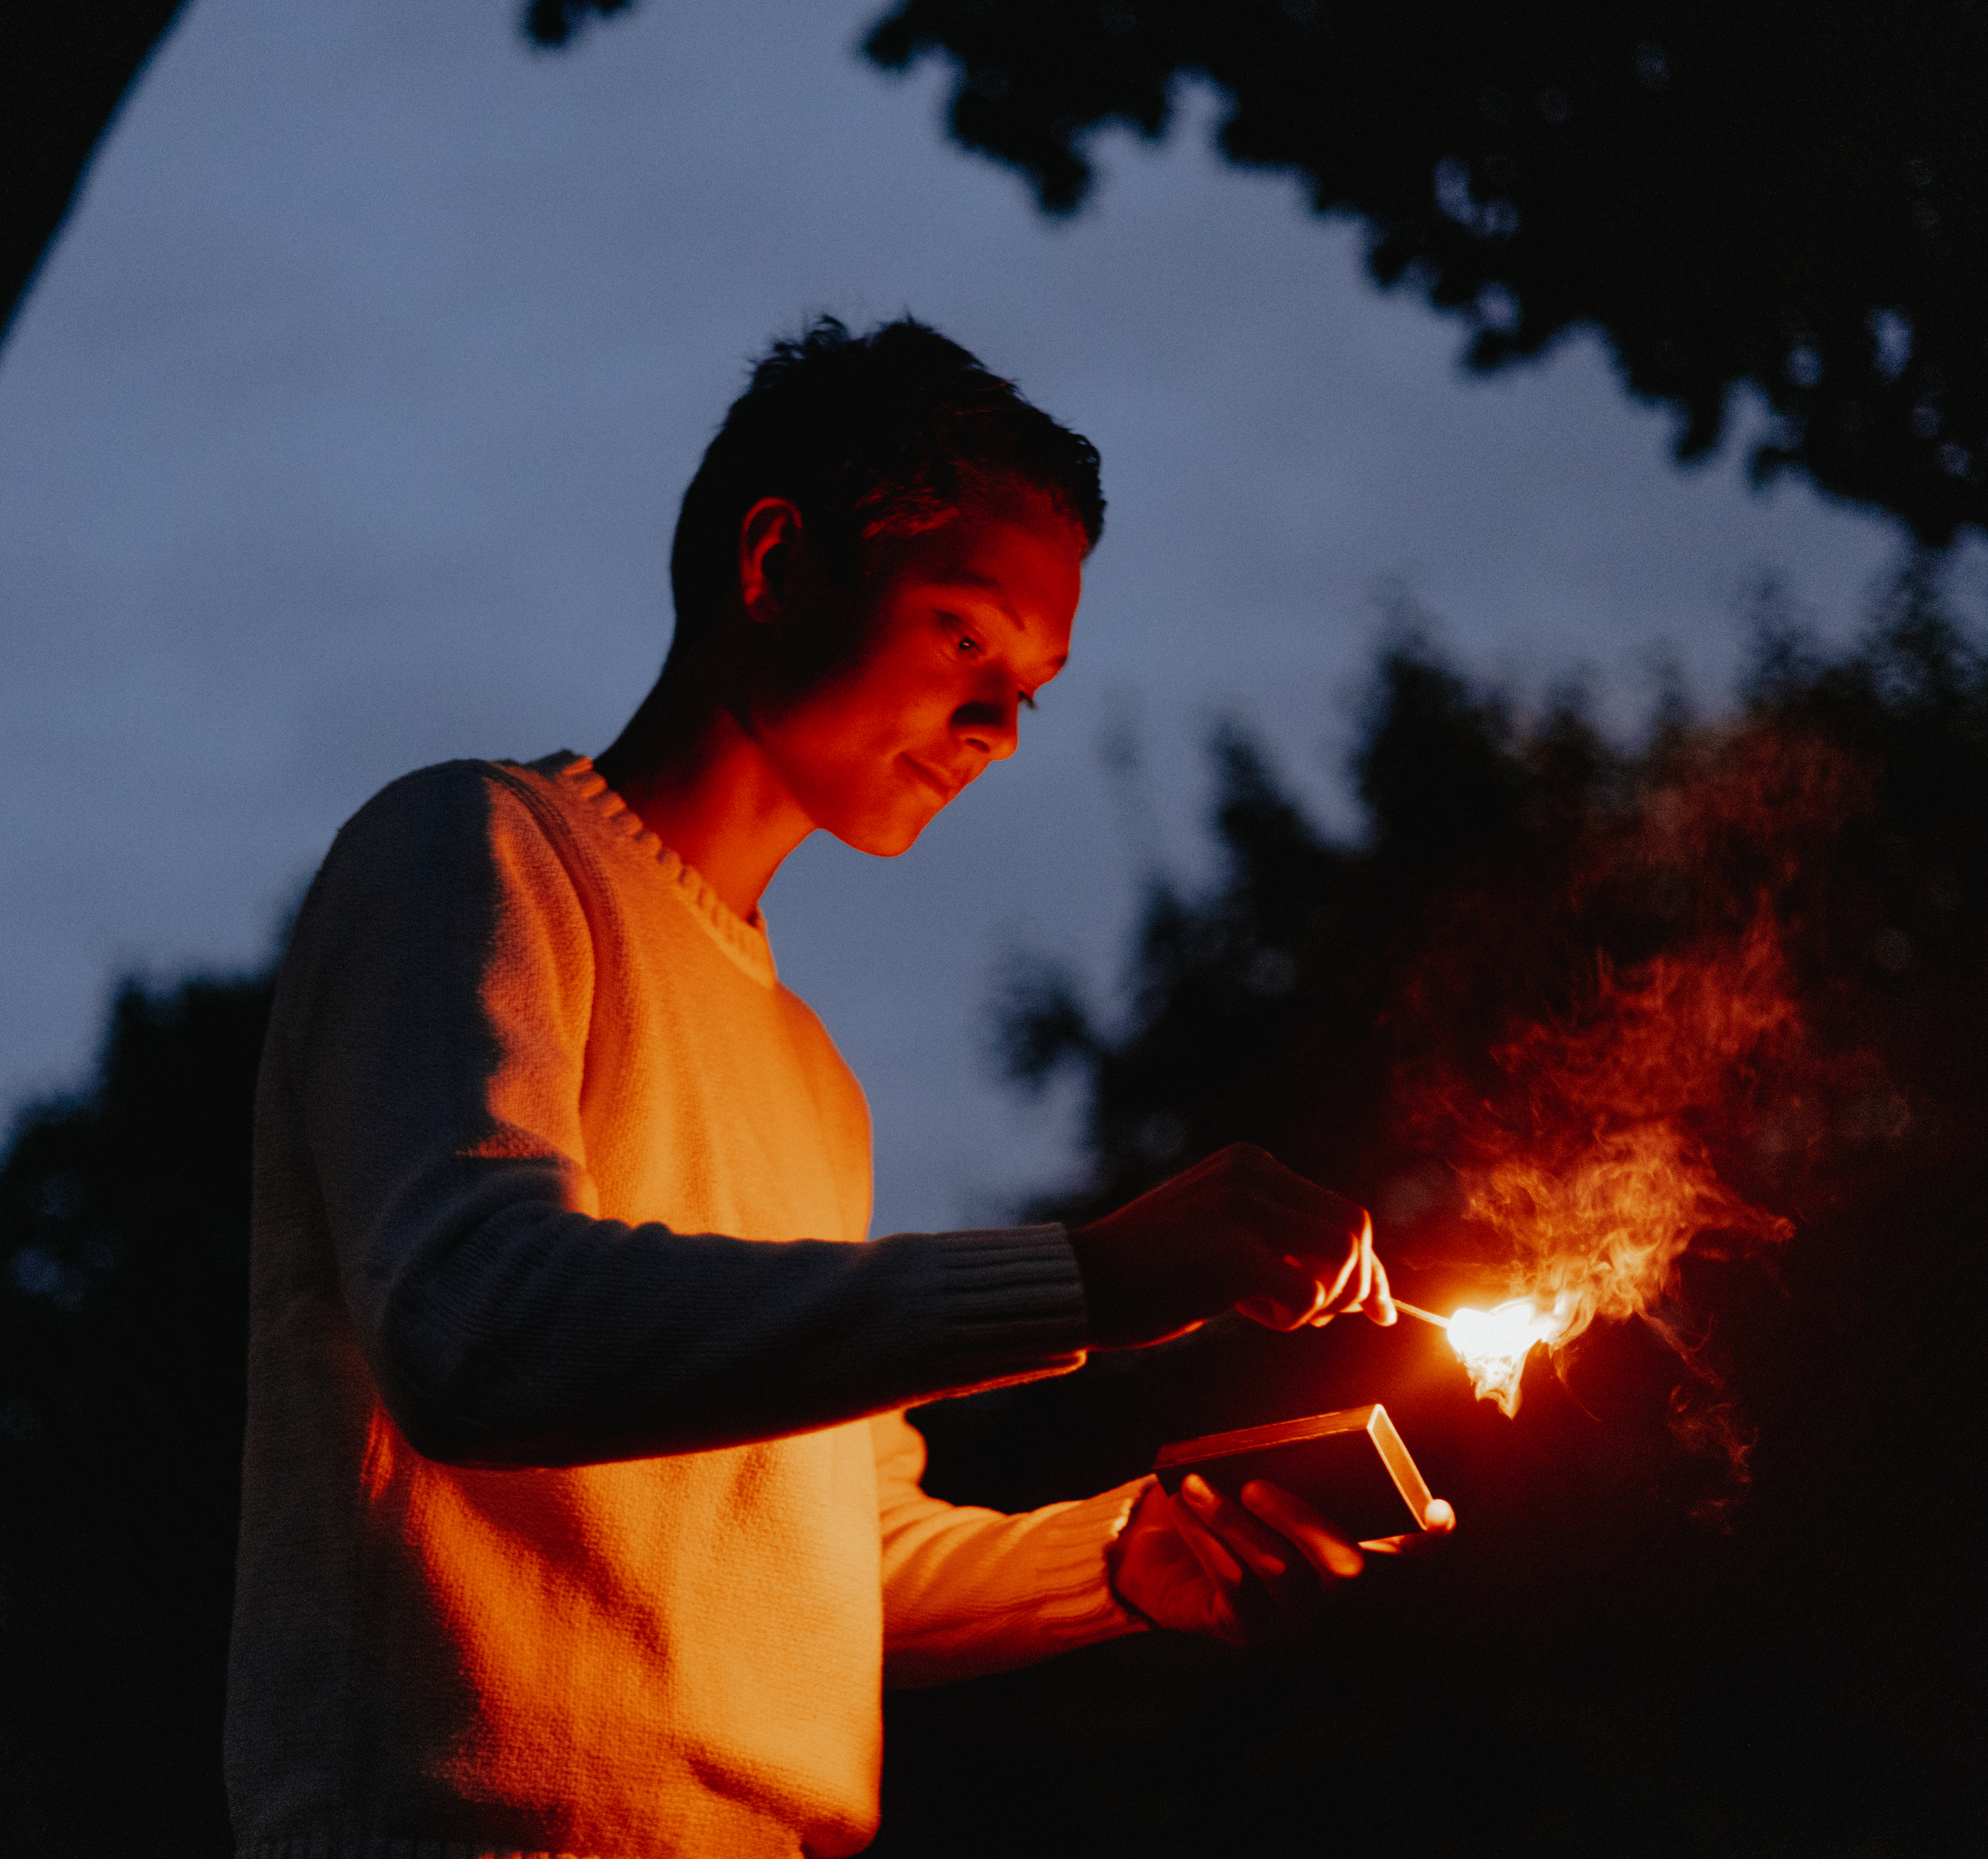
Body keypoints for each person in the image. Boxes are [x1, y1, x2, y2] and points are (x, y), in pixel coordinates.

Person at [225, 315, 1453, 1859]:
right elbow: (478, 1325)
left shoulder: (813, 1084)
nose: (1001, 728)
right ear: (774, 564)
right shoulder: (474, 855)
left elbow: (817, 1557)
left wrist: (1123, 1559)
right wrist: (1087, 1282)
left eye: (1031, 683)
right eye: (964, 636)